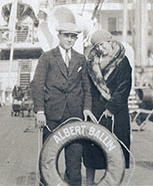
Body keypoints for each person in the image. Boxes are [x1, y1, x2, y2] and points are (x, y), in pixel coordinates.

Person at [30, 22, 95, 186]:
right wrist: (40, 111)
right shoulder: (47, 57)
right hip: (52, 116)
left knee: (74, 163)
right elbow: (37, 85)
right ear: (59, 36)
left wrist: (86, 108)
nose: (70, 39)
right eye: (67, 35)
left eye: (73, 36)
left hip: (75, 116)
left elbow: (87, 87)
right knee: (48, 161)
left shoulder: (81, 59)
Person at [82, 29, 132, 186]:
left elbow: (124, 88)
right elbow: (88, 88)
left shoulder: (122, 61)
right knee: (92, 149)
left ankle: (112, 182)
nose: (100, 49)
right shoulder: (91, 63)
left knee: (114, 151)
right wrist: (88, 108)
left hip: (116, 113)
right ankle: (89, 183)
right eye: (97, 46)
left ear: (110, 42)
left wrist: (111, 108)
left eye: (102, 45)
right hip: (96, 112)